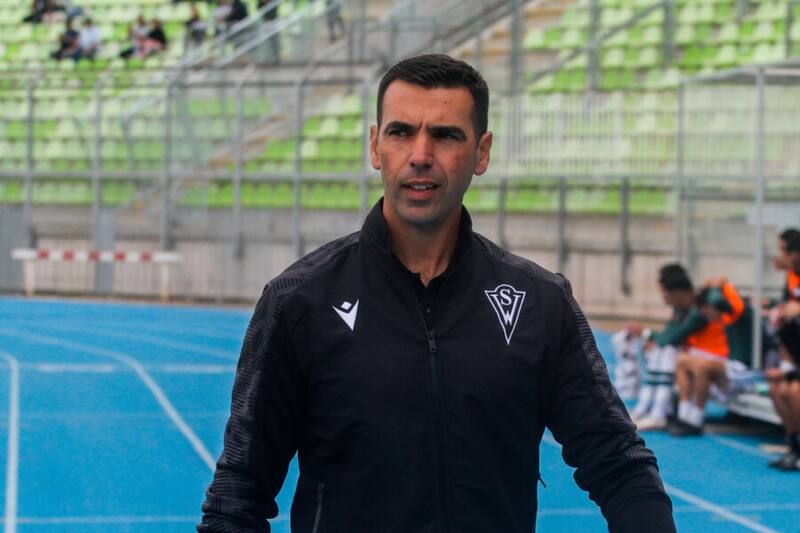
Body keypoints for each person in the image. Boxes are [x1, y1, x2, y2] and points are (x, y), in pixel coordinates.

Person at [198, 54, 676, 532]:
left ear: (482, 153)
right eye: (401, 132)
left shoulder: (540, 302)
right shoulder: (299, 300)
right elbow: (239, 492)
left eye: (446, 135)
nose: (420, 154)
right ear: (375, 146)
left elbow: (619, 462)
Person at [668, 278, 755, 436]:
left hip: (746, 371)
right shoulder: (727, 316)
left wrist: (720, 285)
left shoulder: (737, 312)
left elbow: (718, 299)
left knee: (702, 366)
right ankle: (684, 415)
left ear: (713, 306)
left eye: (707, 312)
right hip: (731, 368)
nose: (707, 317)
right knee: (682, 360)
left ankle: (696, 419)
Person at [627, 264, 706, 430]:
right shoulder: (680, 309)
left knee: (666, 351)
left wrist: (646, 333)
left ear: (677, 292)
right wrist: (653, 339)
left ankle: (658, 413)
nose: (663, 297)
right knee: (659, 349)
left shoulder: (699, 307)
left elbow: (673, 337)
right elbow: (668, 334)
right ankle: (645, 407)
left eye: (664, 292)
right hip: (694, 354)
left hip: (711, 356)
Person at [766, 229, 800, 469]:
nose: (780, 256)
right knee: (778, 388)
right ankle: (793, 444)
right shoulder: (791, 277)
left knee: (795, 391)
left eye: (783, 251)